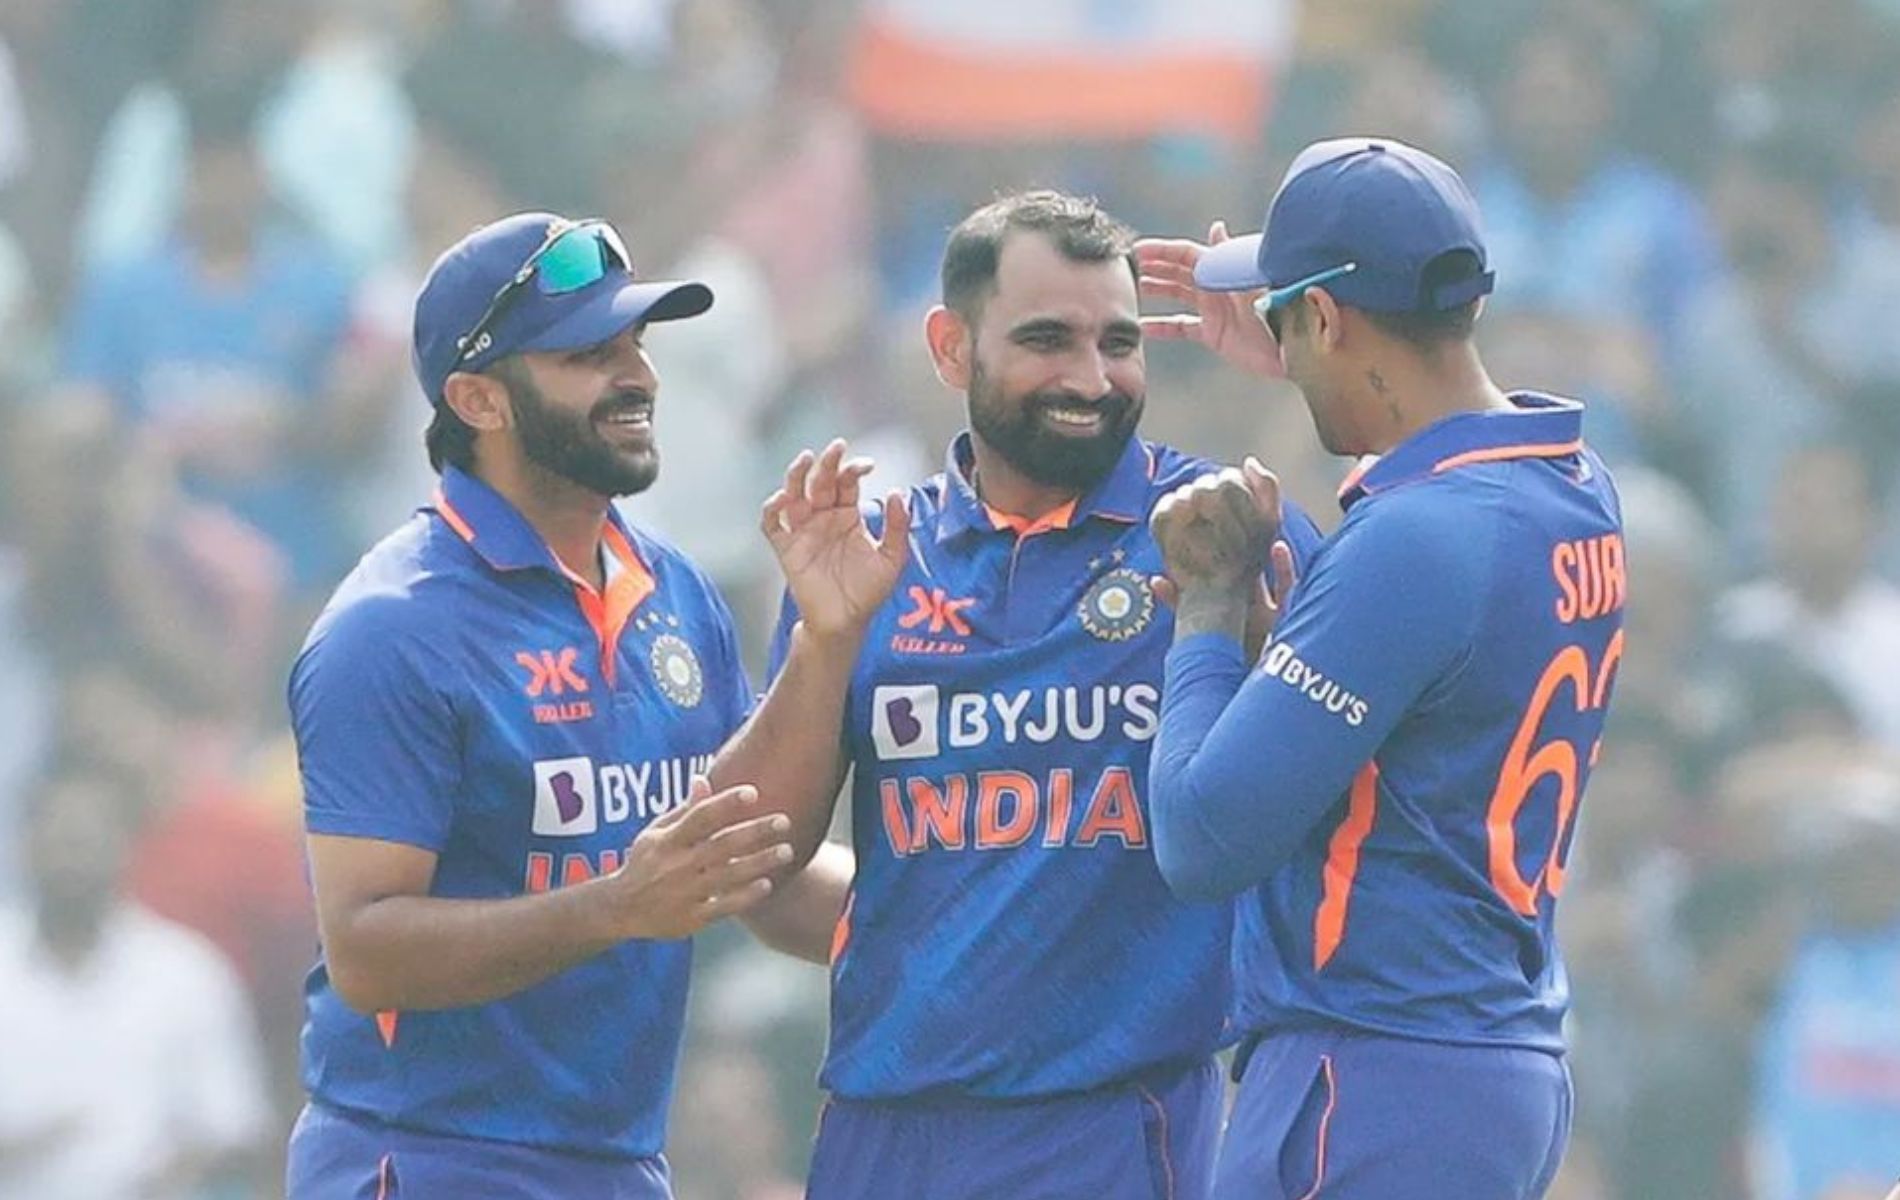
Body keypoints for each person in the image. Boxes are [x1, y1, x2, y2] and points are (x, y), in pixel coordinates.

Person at [709, 189, 1321, 1199]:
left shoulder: (1223, 530)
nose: (1092, 378)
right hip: (880, 1133)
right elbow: (752, 867)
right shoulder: (871, 557)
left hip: (1112, 1132)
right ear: (951, 349)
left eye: (1118, 342)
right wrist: (823, 642)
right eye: (1048, 339)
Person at [1135, 138, 1626, 1200]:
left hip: (1369, 1076)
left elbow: (1203, 834)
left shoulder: (1419, 542)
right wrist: (1313, 364)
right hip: (1481, 1062)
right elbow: (1423, 546)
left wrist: (1211, 605)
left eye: (1289, 320)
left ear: (1324, 317)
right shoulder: (1573, 483)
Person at [283, 211, 797, 1199]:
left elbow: (748, 859)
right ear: (479, 398)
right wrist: (619, 906)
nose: (638, 377)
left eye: (635, 346)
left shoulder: (676, 592)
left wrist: (954, 916)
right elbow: (365, 952)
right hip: (428, 1157)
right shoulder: (390, 628)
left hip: (616, 1164)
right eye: (587, 356)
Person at [0, 754, 271, 1200]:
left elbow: (234, 1128)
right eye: (59, 838)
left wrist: (174, 1171)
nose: (72, 858)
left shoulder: (186, 973)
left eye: (86, 840)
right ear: (25, 844)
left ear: (127, 846)